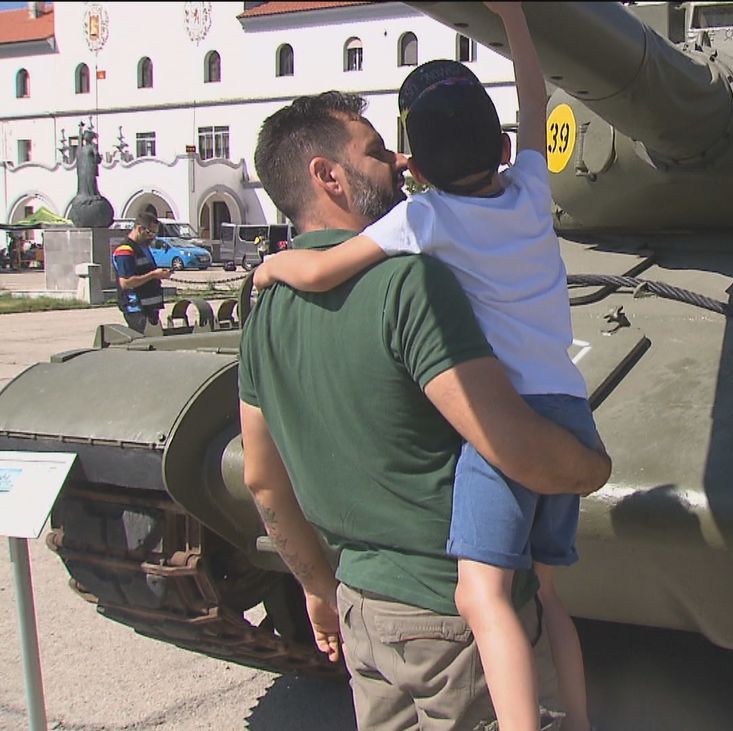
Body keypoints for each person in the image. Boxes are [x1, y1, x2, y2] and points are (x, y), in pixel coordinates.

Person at [253, 8, 598, 730]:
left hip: (364, 603)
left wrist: (273, 268)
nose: (395, 162)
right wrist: (513, 21)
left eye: (397, 149)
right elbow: (535, 101)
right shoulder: (513, 201)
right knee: (539, 594)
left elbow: (261, 476)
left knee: (488, 596)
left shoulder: (409, 236)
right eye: (379, 151)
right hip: (551, 421)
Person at [112, 211, 171, 332]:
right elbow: (126, 282)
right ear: (139, 229)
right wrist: (154, 275)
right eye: (150, 232)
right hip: (137, 309)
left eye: (155, 233)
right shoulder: (125, 250)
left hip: (151, 308)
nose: (152, 236)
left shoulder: (143, 247)